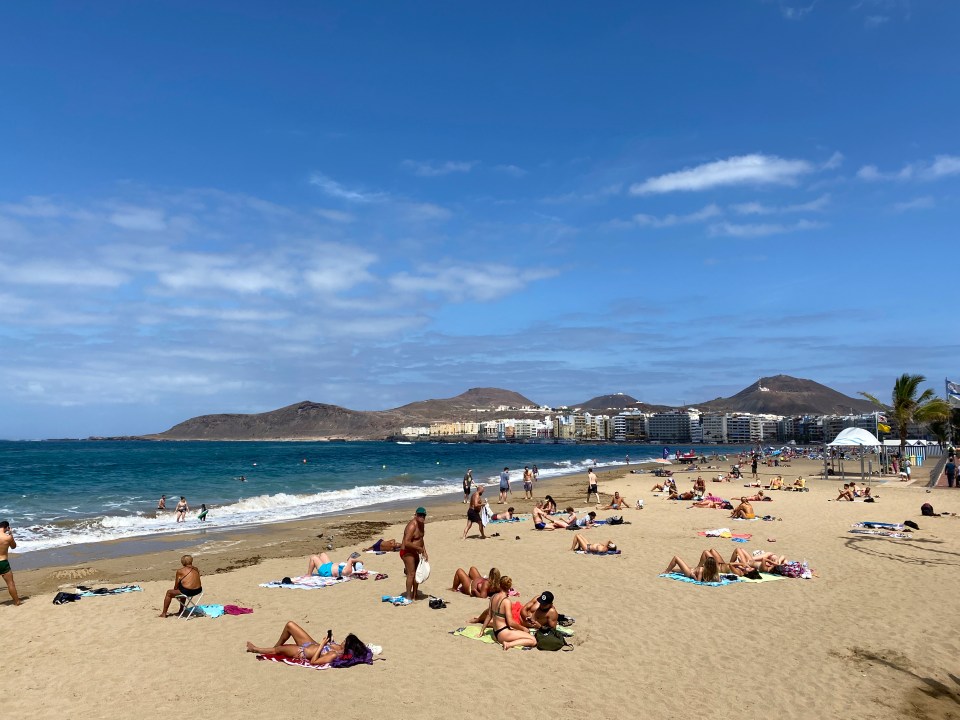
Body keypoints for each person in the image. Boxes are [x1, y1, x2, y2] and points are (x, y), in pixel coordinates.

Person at [245, 622, 367, 666]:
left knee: (279, 651)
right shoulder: (339, 647)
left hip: (303, 652)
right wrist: (330, 641)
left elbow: (314, 661)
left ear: (348, 646)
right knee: (290, 625)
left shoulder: (334, 656)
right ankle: (274, 646)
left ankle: (255, 649)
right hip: (309, 643)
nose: (343, 641)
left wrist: (322, 645)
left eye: (345, 641)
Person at [481, 576, 537, 651]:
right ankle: (508, 644)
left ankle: (508, 641)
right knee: (533, 640)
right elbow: (510, 622)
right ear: (509, 588)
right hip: (503, 633)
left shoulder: (493, 597)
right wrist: (523, 628)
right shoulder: (506, 601)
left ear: (499, 585)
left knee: (519, 633)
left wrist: (482, 630)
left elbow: (489, 615)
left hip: (495, 632)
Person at [400, 507, 428, 601]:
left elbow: (421, 539)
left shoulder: (422, 524)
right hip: (406, 551)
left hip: (415, 551)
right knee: (411, 574)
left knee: (417, 573)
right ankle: (408, 596)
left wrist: (424, 552)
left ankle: (415, 595)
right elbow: (406, 542)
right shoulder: (412, 526)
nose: (422, 517)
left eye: (423, 515)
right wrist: (419, 548)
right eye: (420, 515)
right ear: (415, 515)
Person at [0, 520, 21, 606]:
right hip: (3, 562)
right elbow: (13, 547)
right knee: (10, 583)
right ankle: (17, 602)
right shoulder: (8, 537)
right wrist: (11, 534)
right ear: (7, 528)